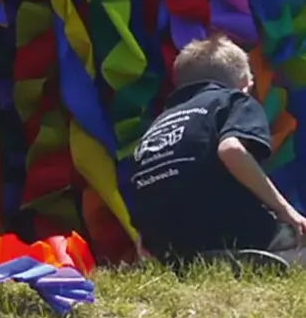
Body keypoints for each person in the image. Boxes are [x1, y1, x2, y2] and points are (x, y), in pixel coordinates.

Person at [125, 33, 306, 264]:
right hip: (227, 228)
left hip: (166, 245)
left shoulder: (158, 124)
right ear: (245, 84)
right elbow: (231, 150)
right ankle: (264, 255)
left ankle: (205, 259)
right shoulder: (233, 100)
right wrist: (286, 210)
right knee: (297, 238)